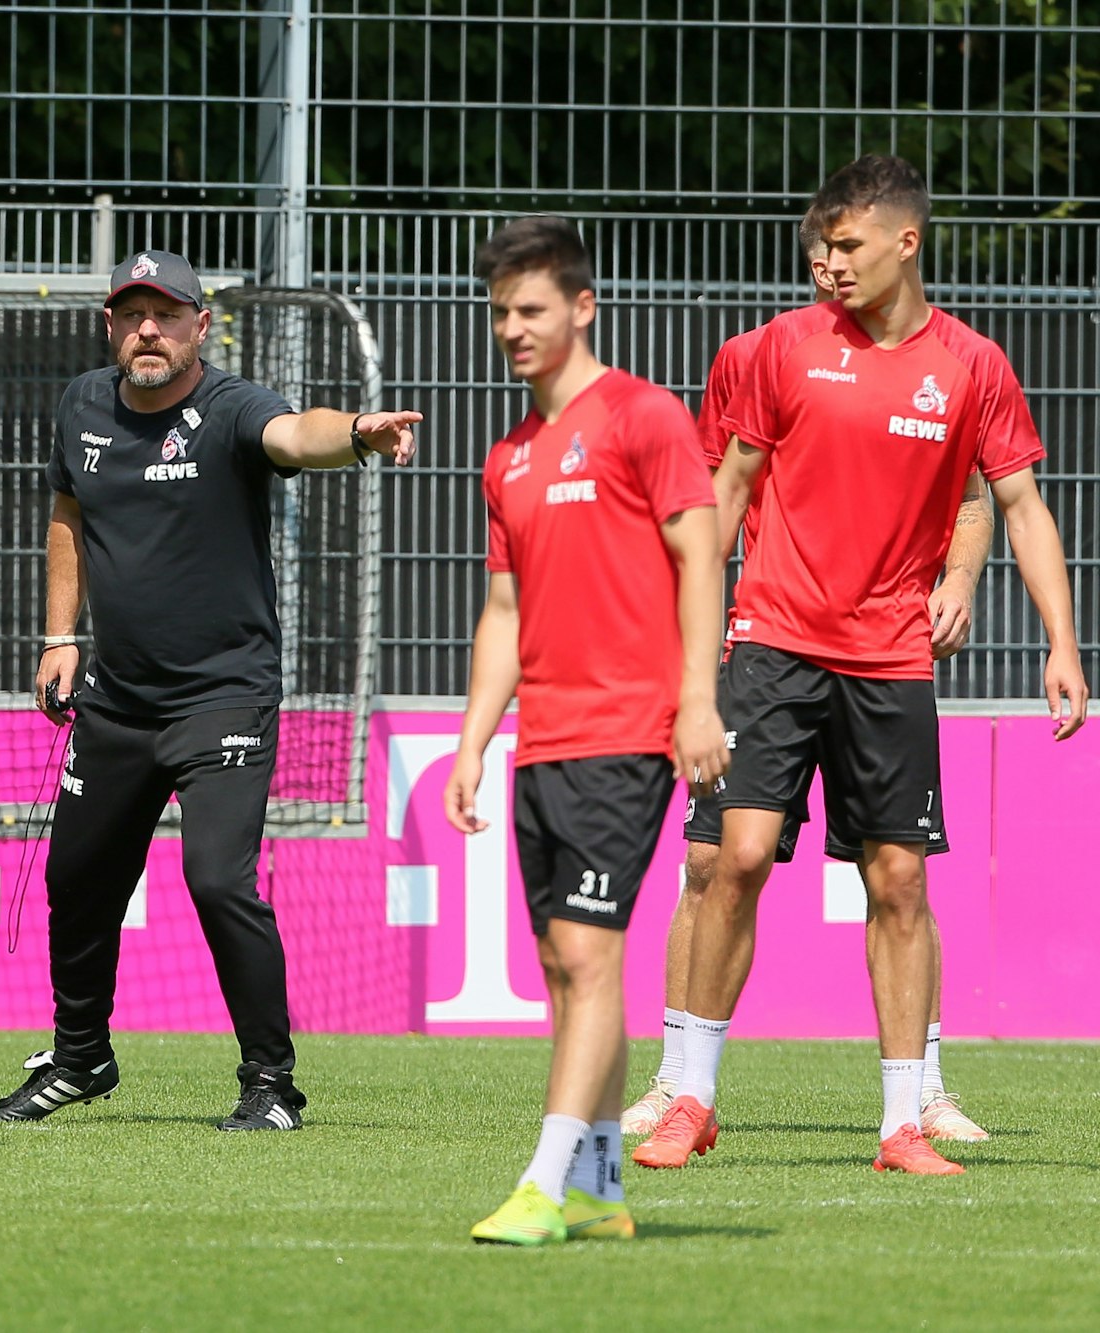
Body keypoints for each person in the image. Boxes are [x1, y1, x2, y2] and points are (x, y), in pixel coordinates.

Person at [634, 155, 1088, 1178]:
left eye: (844, 245)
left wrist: (1061, 643)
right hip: (772, 642)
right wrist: (690, 627)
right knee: (733, 857)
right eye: (816, 247)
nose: (824, 263)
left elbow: (1013, 503)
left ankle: (900, 1122)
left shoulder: (970, 364)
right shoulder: (776, 350)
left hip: (888, 662)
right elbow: (729, 487)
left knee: (895, 879)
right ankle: (689, 1096)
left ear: (903, 242)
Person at [0, 249, 421, 1131]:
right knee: (75, 878)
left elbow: (295, 433)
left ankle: (270, 1082)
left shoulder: (230, 407)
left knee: (218, 880)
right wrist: (59, 636)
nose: (150, 330)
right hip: (116, 696)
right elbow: (67, 516)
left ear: (200, 327)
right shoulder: (81, 403)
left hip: (224, 695)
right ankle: (81, 1058)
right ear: (111, 324)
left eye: (168, 315)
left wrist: (356, 434)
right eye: (132, 314)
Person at [444, 218, 726, 1245]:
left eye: (530, 310)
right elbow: (504, 612)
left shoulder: (643, 418)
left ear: (580, 307)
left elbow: (700, 558)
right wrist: (474, 740)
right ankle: (603, 1190)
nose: (512, 329)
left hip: (624, 733)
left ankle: (542, 1179)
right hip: (543, 740)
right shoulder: (508, 456)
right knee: (563, 966)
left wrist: (695, 698)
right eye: (499, 314)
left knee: (589, 956)